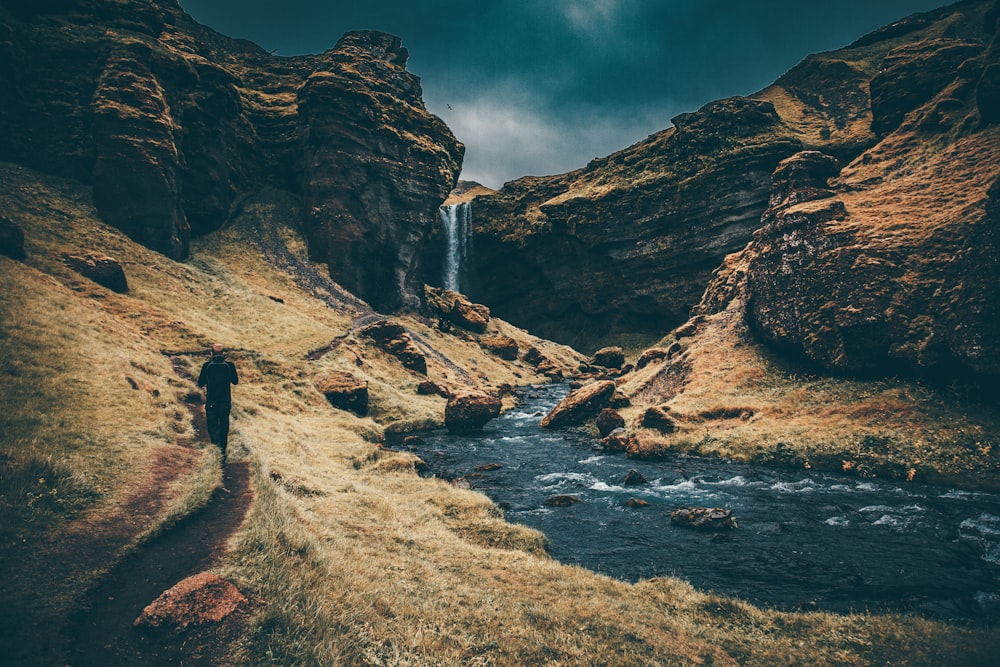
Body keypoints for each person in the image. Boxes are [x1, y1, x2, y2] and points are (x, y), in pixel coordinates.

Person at [197, 343, 239, 462]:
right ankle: (223, 453)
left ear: (211, 354)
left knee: (213, 427)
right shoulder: (229, 365)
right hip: (225, 402)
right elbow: (235, 381)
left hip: (211, 402)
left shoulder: (206, 365)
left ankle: (216, 451)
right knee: (224, 427)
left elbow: (200, 383)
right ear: (223, 354)